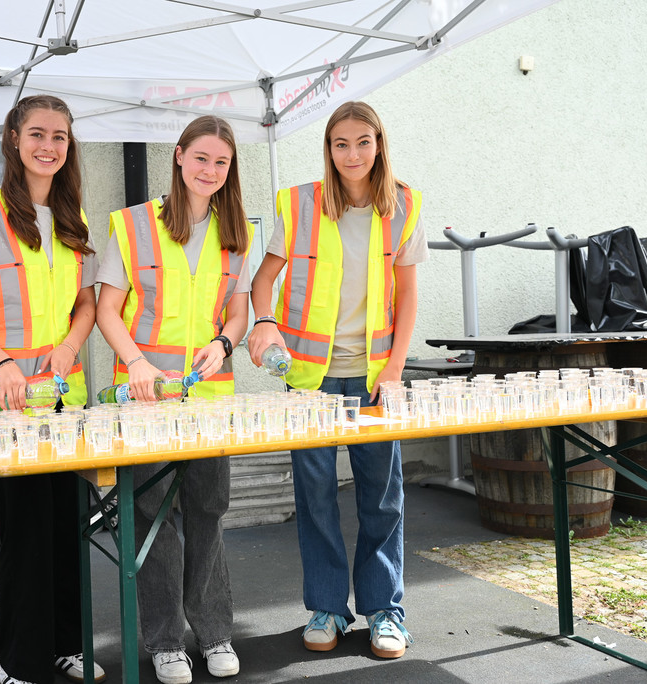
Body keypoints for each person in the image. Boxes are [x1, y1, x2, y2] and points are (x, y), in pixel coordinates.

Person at [248, 101, 427, 660]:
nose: (352, 154)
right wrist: (266, 322)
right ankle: (326, 607)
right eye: (340, 144)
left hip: (374, 377)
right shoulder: (300, 204)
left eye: (362, 142)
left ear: (379, 144)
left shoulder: (405, 205)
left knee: (383, 498)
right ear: (327, 148)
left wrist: (396, 367)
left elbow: (408, 295)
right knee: (316, 498)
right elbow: (262, 281)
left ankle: (384, 611)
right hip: (310, 379)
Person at [0, 95, 104, 684]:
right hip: (7, 409)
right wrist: (2, 361)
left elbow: (86, 304)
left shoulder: (73, 216)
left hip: (63, 400)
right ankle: (19, 664)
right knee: (27, 538)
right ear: (14, 138)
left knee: (67, 531)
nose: (48, 146)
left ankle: (67, 645)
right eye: (37, 134)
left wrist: (72, 344)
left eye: (59, 136)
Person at [95, 115, 253, 683]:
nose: (210, 170)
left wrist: (224, 342)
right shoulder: (133, 225)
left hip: (209, 397)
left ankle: (214, 633)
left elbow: (238, 312)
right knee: (152, 518)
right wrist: (136, 361)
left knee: (209, 512)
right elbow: (107, 309)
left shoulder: (237, 231)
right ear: (179, 156)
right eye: (201, 158)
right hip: (146, 400)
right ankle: (165, 641)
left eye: (221, 162)